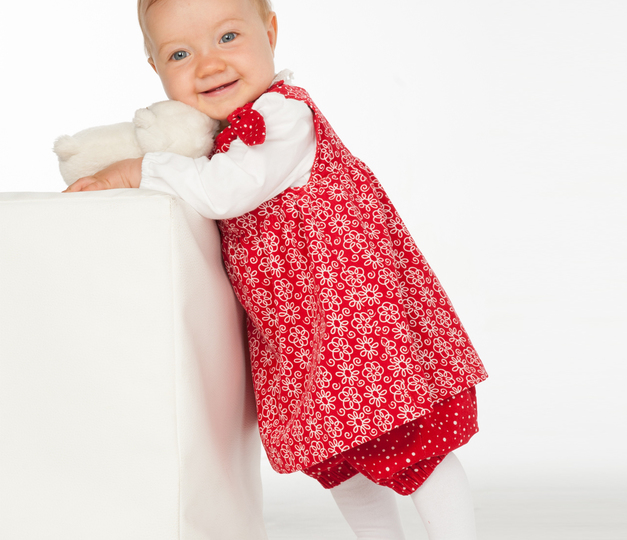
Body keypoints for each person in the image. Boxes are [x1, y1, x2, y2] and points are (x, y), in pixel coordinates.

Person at [66, 0, 488, 538]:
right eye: (179, 54)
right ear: (154, 67)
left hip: (356, 322)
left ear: (270, 32)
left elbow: (225, 191)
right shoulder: (217, 141)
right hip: (303, 335)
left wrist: (140, 169)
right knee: (339, 462)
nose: (209, 64)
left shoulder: (281, 118)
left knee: (412, 447)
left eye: (228, 37)